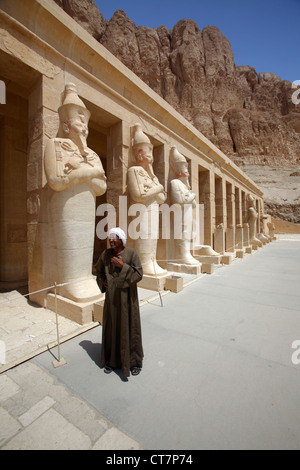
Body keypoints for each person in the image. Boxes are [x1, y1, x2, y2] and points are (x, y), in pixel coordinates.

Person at [95, 228, 144, 378]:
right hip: (112, 299)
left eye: (114, 238)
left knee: (130, 325)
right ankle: (112, 360)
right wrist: (103, 281)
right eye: (110, 238)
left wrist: (123, 266)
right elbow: (98, 271)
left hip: (128, 299)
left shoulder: (131, 253)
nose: (111, 241)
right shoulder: (106, 254)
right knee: (112, 327)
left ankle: (133, 362)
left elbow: (139, 274)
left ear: (121, 240)